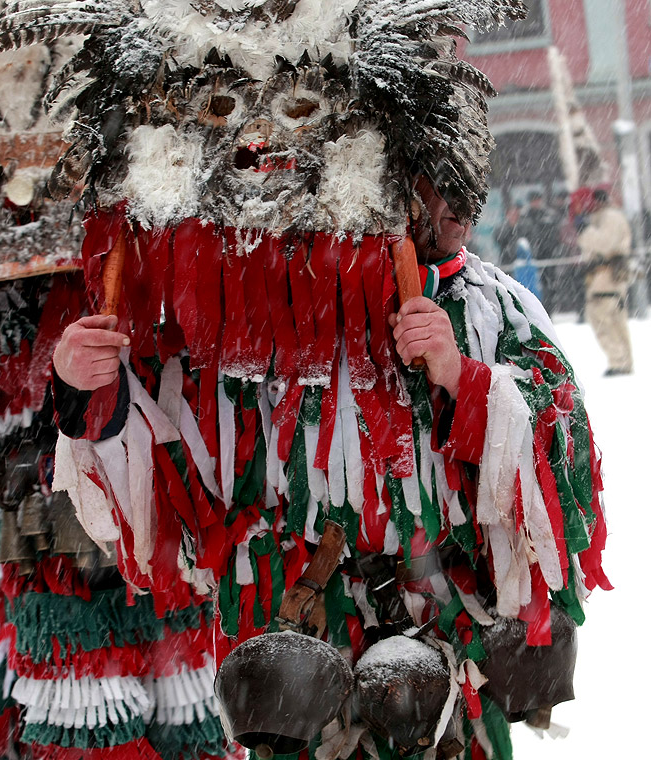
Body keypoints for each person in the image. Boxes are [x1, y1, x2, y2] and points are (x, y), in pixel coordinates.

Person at [50, 174, 610, 760]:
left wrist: (461, 378)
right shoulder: (251, 316)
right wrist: (80, 387)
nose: (458, 206)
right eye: (433, 185)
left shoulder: (495, 308)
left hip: (448, 632)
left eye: (464, 185)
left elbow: (570, 476)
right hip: (301, 633)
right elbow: (173, 463)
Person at [0, 273, 229, 760]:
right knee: (85, 736)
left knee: (192, 734)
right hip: (49, 576)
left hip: (155, 559)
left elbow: (191, 420)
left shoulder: (145, 282)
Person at [576, 186, 634, 376]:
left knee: (600, 316)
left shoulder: (609, 217)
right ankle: (624, 361)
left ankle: (619, 361)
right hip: (611, 273)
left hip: (606, 274)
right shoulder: (610, 216)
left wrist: (586, 231)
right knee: (616, 319)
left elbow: (604, 245)